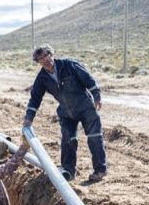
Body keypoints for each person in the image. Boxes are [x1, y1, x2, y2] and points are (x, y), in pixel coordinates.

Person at [23, 44, 107, 183]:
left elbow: (88, 79)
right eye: (40, 58)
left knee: (94, 137)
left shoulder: (69, 65)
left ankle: (100, 170)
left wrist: (97, 96)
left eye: (46, 55)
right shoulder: (42, 78)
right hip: (66, 113)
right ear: (38, 62)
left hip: (86, 108)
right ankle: (69, 171)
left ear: (51, 54)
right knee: (68, 140)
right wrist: (28, 119)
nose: (45, 59)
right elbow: (35, 98)